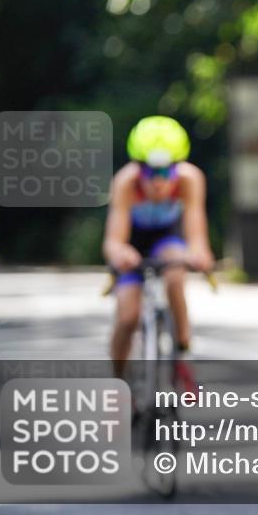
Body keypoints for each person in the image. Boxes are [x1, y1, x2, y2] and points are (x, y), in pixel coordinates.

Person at [102, 116, 215, 388]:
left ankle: (184, 350)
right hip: (134, 242)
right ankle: (118, 382)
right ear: (137, 167)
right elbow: (113, 241)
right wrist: (121, 254)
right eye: (148, 171)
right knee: (128, 316)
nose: (157, 181)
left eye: (165, 172)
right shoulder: (125, 183)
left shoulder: (190, 179)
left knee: (176, 275)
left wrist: (199, 255)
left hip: (167, 237)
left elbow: (196, 235)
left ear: (178, 167)